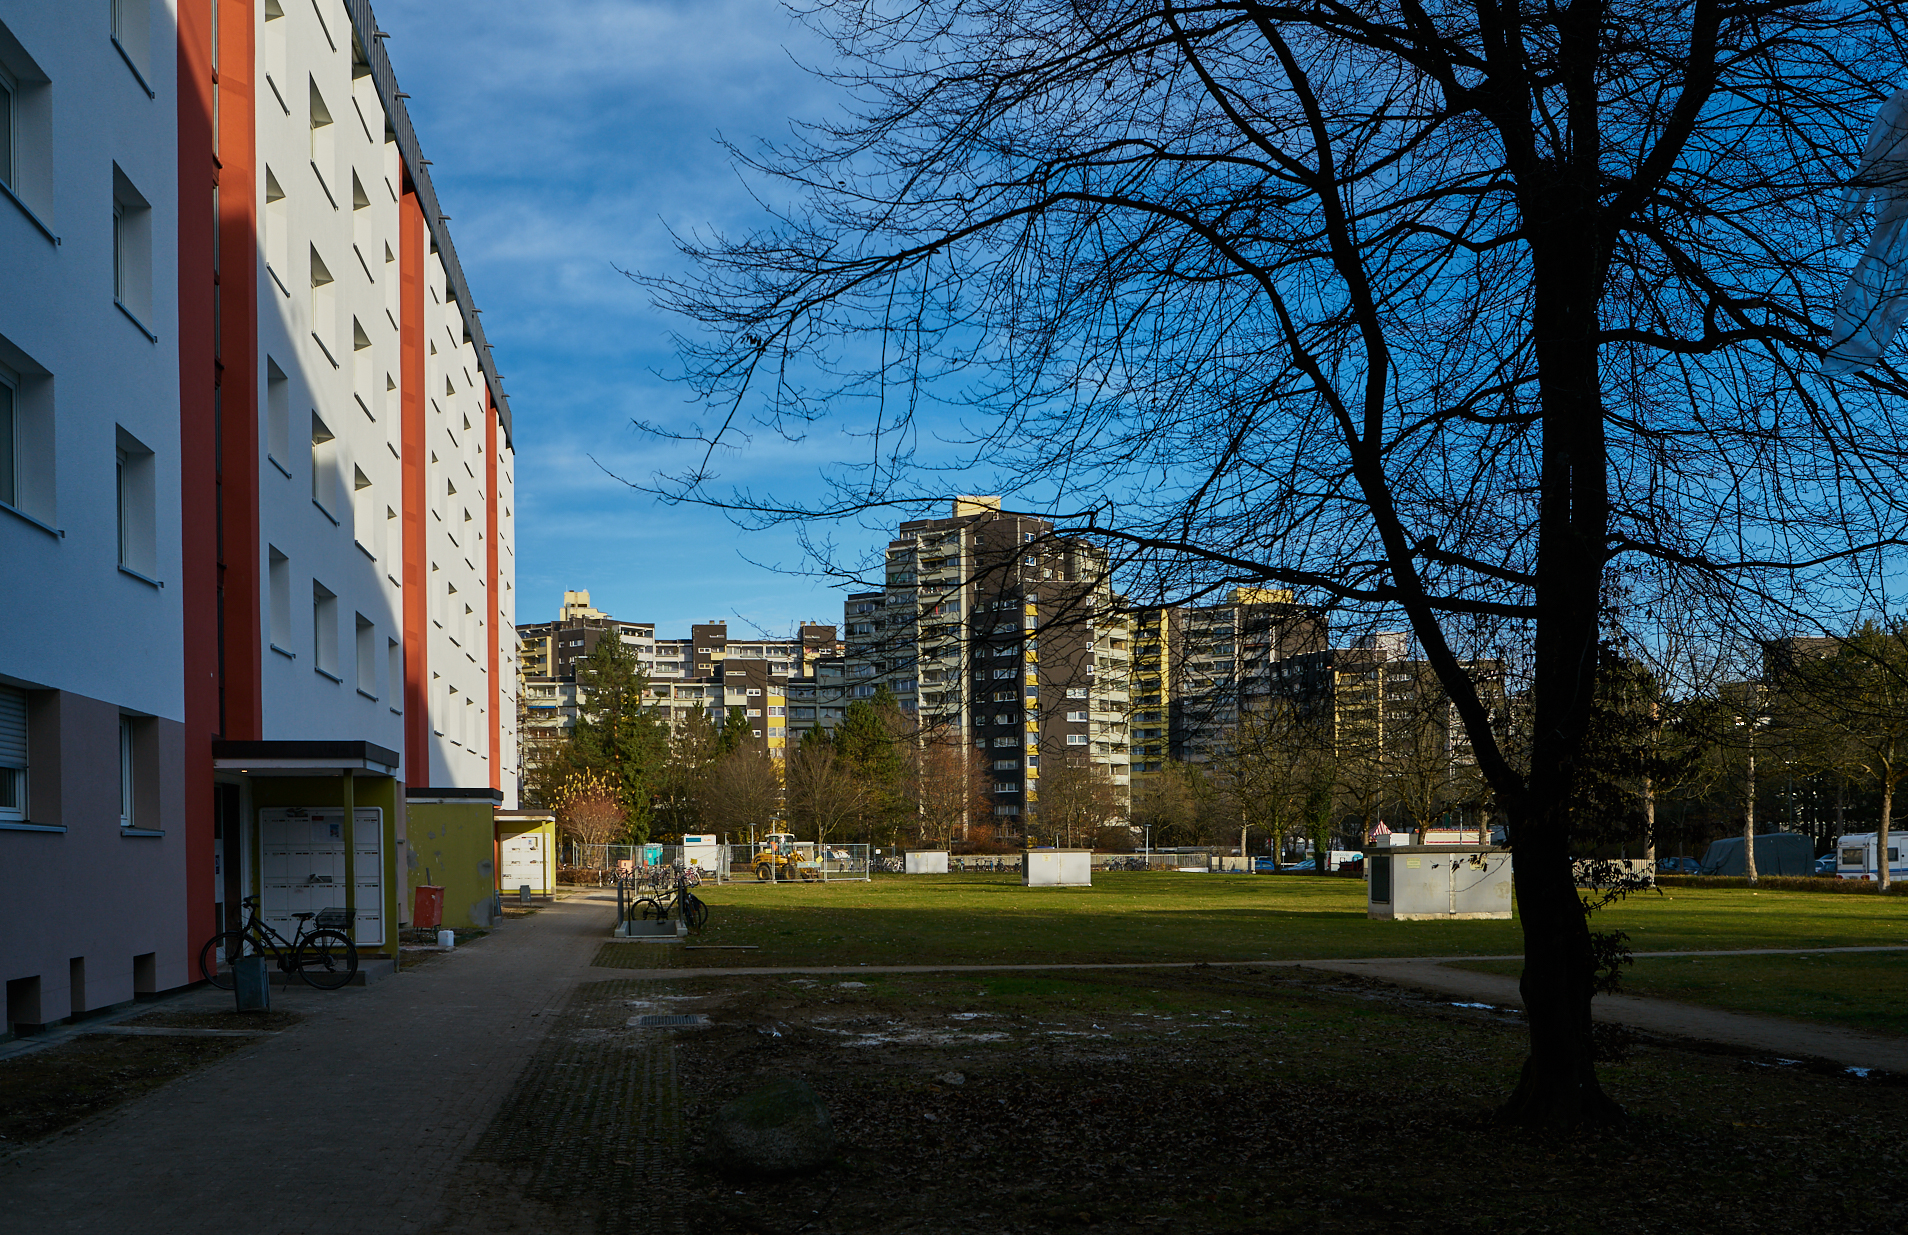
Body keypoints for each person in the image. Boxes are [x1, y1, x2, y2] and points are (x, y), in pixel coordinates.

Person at [1824, 89, 1908, 375]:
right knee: (1879, 274)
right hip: (1895, 207)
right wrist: (1847, 212)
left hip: (1895, 210)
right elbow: (1871, 162)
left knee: (1890, 278)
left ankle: (1858, 343)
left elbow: (1869, 164)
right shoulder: (1900, 107)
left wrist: (1847, 213)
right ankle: (1855, 343)